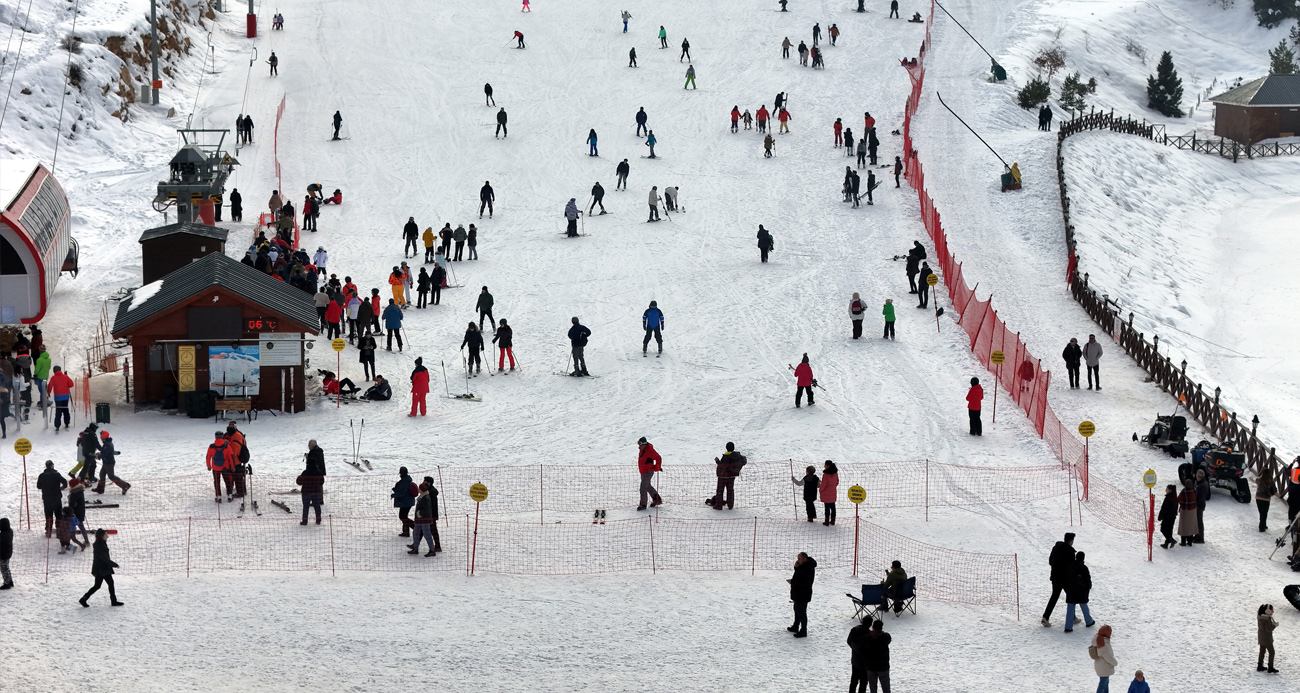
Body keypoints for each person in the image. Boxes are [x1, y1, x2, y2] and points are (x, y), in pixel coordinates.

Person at [79, 529, 122, 607]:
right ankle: (83, 599)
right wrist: (114, 564)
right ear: (102, 536)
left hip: (103, 568)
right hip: (100, 569)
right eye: (106, 535)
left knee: (108, 584)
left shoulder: (102, 543)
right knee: (98, 585)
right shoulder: (99, 545)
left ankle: (113, 601)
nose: (108, 536)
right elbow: (104, 558)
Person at [1041, 532, 1076, 626]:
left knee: (1054, 596)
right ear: (1071, 540)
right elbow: (1071, 567)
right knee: (1071, 596)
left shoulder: (1056, 547)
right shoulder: (1070, 552)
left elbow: (1050, 561)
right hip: (1065, 579)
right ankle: (1073, 617)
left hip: (1055, 576)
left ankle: (1046, 617)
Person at [786, 552, 816, 638]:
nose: (797, 560)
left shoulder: (808, 568)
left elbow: (804, 581)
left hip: (803, 593)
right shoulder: (803, 566)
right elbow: (798, 575)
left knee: (802, 612)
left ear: (805, 559)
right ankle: (796, 626)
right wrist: (796, 568)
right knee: (796, 609)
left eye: (799, 559)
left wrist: (793, 582)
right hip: (798, 592)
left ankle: (803, 630)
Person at [408, 480, 441, 556]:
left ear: (422, 490)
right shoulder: (422, 496)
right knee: (416, 532)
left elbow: (426, 509)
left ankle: (432, 550)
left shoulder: (426, 498)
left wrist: (419, 513)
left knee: (427, 534)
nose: (418, 490)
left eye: (419, 488)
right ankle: (415, 548)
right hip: (420, 519)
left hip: (424, 519)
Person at [1064, 551, 1095, 632]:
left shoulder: (1070, 566)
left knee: (1070, 608)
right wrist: (1089, 586)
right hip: (1082, 591)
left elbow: (1066, 578)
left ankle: (1068, 626)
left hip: (1071, 590)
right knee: (1084, 606)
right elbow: (1088, 580)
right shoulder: (1084, 568)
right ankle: (1089, 621)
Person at [710, 442, 746, 509]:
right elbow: (744, 461)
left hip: (723, 476)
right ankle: (730, 505)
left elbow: (723, 466)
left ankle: (718, 505)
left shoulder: (726, 456)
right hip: (732, 475)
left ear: (726, 448)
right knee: (730, 490)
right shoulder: (737, 455)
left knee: (720, 490)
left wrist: (717, 461)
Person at [94, 430, 130, 495]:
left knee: (111, 476)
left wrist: (98, 456)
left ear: (104, 436)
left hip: (109, 463)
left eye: (101, 436)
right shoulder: (106, 443)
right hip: (106, 462)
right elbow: (104, 452)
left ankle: (125, 485)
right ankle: (100, 489)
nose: (100, 437)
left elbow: (105, 454)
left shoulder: (107, 444)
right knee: (102, 474)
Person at [36, 460, 66, 536]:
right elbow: (65, 482)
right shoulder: (56, 474)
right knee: (58, 515)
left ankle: (48, 531)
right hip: (56, 497)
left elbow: (38, 486)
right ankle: (59, 530)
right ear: (52, 466)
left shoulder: (41, 475)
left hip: (47, 498)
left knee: (48, 515)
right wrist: (62, 487)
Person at [297, 445, 325, 525]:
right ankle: (318, 519)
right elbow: (322, 482)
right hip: (316, 492)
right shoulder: (319, 472)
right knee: (317, 506)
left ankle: (305, 520)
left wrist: (299, 478)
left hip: (306, 492)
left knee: (306, 507)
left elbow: (299, 482)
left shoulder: (305, 472)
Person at [206, 431, 235, 503]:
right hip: (225, 467)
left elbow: (208, 457)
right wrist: (232, 466)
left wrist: (208, 465)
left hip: (215, 468)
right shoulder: (227, 446)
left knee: (217, 482)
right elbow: (231, 457)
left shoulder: (211, 446)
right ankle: (229, 495)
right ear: (222, 437)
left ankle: (218, 497)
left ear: (215, 437)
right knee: (227, 481)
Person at [636, 437, 663, 510]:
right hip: (643, 471)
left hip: (648, 471)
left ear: (644, 444)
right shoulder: (642, 449)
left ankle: (643, 504)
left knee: (643, 488)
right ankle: (657, 500)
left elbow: (658, 458)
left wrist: (657, 468)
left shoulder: (650, 450)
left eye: (640, 444)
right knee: (647, 486)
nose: (639, 447)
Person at [49, 365, 73, 432]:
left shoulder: (53, 378)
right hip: (66, 396)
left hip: (58, 397)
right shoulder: (65, 377)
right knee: (65, 410)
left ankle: (57, 426)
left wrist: (48, 393)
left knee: (58, 411)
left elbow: (50, 386)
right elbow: (71, 384)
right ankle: (67, 423)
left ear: (54, 371)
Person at [1092, 625, 1117, 692]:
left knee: (1105, 683)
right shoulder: (1103, 643)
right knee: (1103, 685)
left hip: (1100, 665)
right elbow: (1108, 657)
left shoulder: (1097, 638)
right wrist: (1115, 663)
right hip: (1104, 667)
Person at [392, 467, 416, 536]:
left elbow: (402, 493)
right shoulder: (407, 480)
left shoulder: (404, 482)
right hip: (408, 501)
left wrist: (394, 494)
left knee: (402, 517)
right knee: (404, 516)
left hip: (406, 502)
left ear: (400, 473)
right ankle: (406, 532)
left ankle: (417, 528)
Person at [1177, 477, 1199, 546]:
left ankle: (1183, 542)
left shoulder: (1184, 491)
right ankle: (1190, 542)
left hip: (1185, 510)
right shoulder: (1194, 490)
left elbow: (1179, 499)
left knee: (1184, 527)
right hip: (1192, 510)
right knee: (1190, 526)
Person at [1258, 603, 1279, 672]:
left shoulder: (1260, 617)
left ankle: (1260, 665)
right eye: (1271, 610)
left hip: (1261, 638)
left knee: (1262, 651)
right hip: (1267, 639)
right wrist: (1274, 625)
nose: (1273, 611)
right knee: (1272, 652)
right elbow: (1268, 629)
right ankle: (1270, 667)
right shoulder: (1266, 620)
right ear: (1267, 611)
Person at [1157, 484, 1178, 549]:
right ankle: (1166, 543)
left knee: (1163, 529)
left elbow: (1164, 508)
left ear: (1170, 490)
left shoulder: (1168, 498)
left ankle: (1171, 540)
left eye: (1167, 489)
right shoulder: (1175, 498)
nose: (1165, 490)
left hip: (1167, 517)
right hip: (1173, 517)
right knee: (1169, 530)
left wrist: (1160, 517)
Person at [820, 460, 839, 525]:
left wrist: (820, 490)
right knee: (833, 507)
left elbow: (823, 484)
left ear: (828, 466)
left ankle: (827, 521)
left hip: (826, 493)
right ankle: (833, 520)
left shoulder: (826, 475)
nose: (824, 466)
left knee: (827, 508)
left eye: (825, 465)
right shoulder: (835, 474)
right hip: (833, 492)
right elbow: (837, 482)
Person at [1194, 469, 1209, 543]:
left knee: (1199, 521)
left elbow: (1199, 497)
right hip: (1200, 504)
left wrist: (1196, 505)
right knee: (1197, 521)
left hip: (1199, 505)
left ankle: (1200, 537)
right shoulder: (1203, 483)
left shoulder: (1201, 486)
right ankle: (1197, 535)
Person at [0, 517, 11, 589]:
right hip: (7, 553)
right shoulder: (9, 531)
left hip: (3, 554)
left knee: (4, 569)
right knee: (6, 568)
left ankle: (7, 584)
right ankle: (10, 581)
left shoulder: (4, 535)